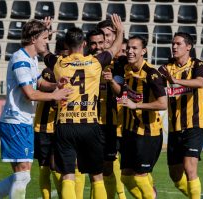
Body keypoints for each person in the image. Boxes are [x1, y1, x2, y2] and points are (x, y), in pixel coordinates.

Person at [0, 19, 72, 199]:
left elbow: (39, 82)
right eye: (45, 38)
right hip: (15, 121)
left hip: (22, 121)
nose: (47, 42)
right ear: (33, 39)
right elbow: (30, 94)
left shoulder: (31, 59)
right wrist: (55, 96)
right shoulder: (20, 59)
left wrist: (56, 84)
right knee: (23, 175)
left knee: (23, 176)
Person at [44, 14, 124, 199]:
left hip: (65, 124)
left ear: (66, 45)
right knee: (97, 176)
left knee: (68, 175)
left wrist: (46, 32)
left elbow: (43, 51)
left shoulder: (58, 63)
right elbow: (114, 49)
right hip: (89, 124)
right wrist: (120, 32)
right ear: (84, 44)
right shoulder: (95, 62)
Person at [103, 35, 167, 199]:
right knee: (125, 176)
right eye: (129, 48)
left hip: (147, 133)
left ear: (143, 51)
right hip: (129, 130)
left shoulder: (152, 74)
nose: (130, 51)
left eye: (134, 48)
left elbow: (162, 104)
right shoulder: (126, 69)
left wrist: (136, 105)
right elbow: (123, 94)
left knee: (139, 176)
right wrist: (111, 82)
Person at [158, 32, 203, 199]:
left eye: (178, 44)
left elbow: (199, 82)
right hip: (174, 128)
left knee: (190, 167)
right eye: (173, 44)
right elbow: (154, 85)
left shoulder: (197, 64)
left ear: (188, 47)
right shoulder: (166, 68)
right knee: (175, 176)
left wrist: (175, 81)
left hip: (194, 124)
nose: (174, 47)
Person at [33, 38, 70, 199]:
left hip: (60, 127)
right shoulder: (48, 71)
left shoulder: (72, 72)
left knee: (57, 166)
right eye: (67, 54)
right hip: (43, 126)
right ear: (61, 53)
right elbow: (54, 99)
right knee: (44, 168)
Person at [96, 20, 128, 199]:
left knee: (132, 170)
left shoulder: (124, 63)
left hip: (124, 123)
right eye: (103, 36)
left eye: (108, 36)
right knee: (103, 167)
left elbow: (123, 93)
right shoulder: (93, 61)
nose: (105, 40)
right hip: (100, 123)